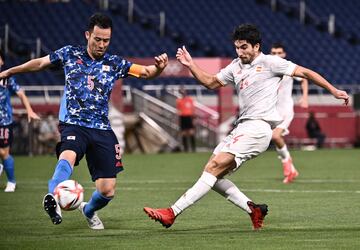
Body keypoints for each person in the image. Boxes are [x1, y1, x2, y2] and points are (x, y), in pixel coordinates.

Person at [143, 24, 349, 230]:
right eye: (237, 47)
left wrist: (333, 90)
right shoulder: (235, 66)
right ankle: (253, 209)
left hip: (259, 128)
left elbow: (305, 72)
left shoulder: (270, 63)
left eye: (244, 47)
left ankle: (172, 213)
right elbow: (211, 83)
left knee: (214, 169)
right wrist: (190, 64)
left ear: (256, 46)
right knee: (211, 174)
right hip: (241, 127)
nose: (239, 52)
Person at [0, 13, 168, 229]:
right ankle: (53, 197)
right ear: (88, 35)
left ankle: (88, 210)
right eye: (97, 39)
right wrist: (10, 71)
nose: (101, 44)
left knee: (108, 190)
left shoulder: (115, 63)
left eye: (106, 40)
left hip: (101, 128)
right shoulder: (69, 53)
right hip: (74, 123)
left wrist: (159, 68)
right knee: (67, 155)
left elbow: (145, 72)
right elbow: (40, 63)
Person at [0, 49, 40, 192]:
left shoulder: (7, 78)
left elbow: (21, 93)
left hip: (3, 121)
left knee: (4, 153)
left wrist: (29, 110)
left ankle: (11, 182)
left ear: (2, 61)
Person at [270, 42, 309, 184]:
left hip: (285, 109)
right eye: (273, 53)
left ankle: (288, 166)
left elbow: (304, 78)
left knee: (276, 136)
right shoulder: (267, 66)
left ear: (284, 54)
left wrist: (304, 97)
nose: (276, 55)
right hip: (271, 111)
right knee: (270, 139)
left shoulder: (288, 66)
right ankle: (291, 168)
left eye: (279, 53)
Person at [176, 87, 196, 152]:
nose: (183, 93)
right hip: (182, 117)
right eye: (181, 92)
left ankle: (193, 148)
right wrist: (178, 120)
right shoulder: (179, 101)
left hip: (189, 117)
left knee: (191, 133)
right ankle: (186, 149)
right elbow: (178, 111)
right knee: (184, 133)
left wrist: (193, 119)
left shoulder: (190, 100)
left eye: (183, 91)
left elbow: (192, 110)